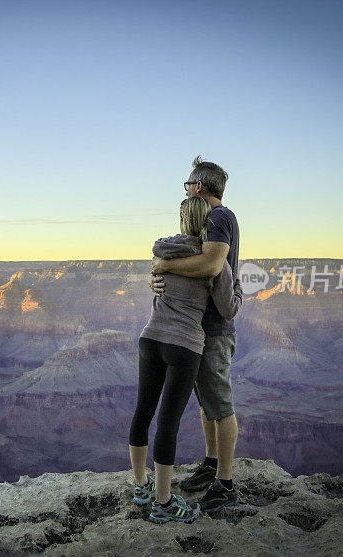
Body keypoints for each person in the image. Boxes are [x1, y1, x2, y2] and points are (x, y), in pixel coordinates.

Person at [129, 195, 242, 524]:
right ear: (206, 223)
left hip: (150, 339)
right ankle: (163, 503)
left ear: (181, 220)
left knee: (142, 413)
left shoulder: (161, 251)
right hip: (184, 345)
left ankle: (141, 487)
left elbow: (158, 282)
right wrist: (238, 286)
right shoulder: (210, 262)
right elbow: (228, 308)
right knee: (168, 423)